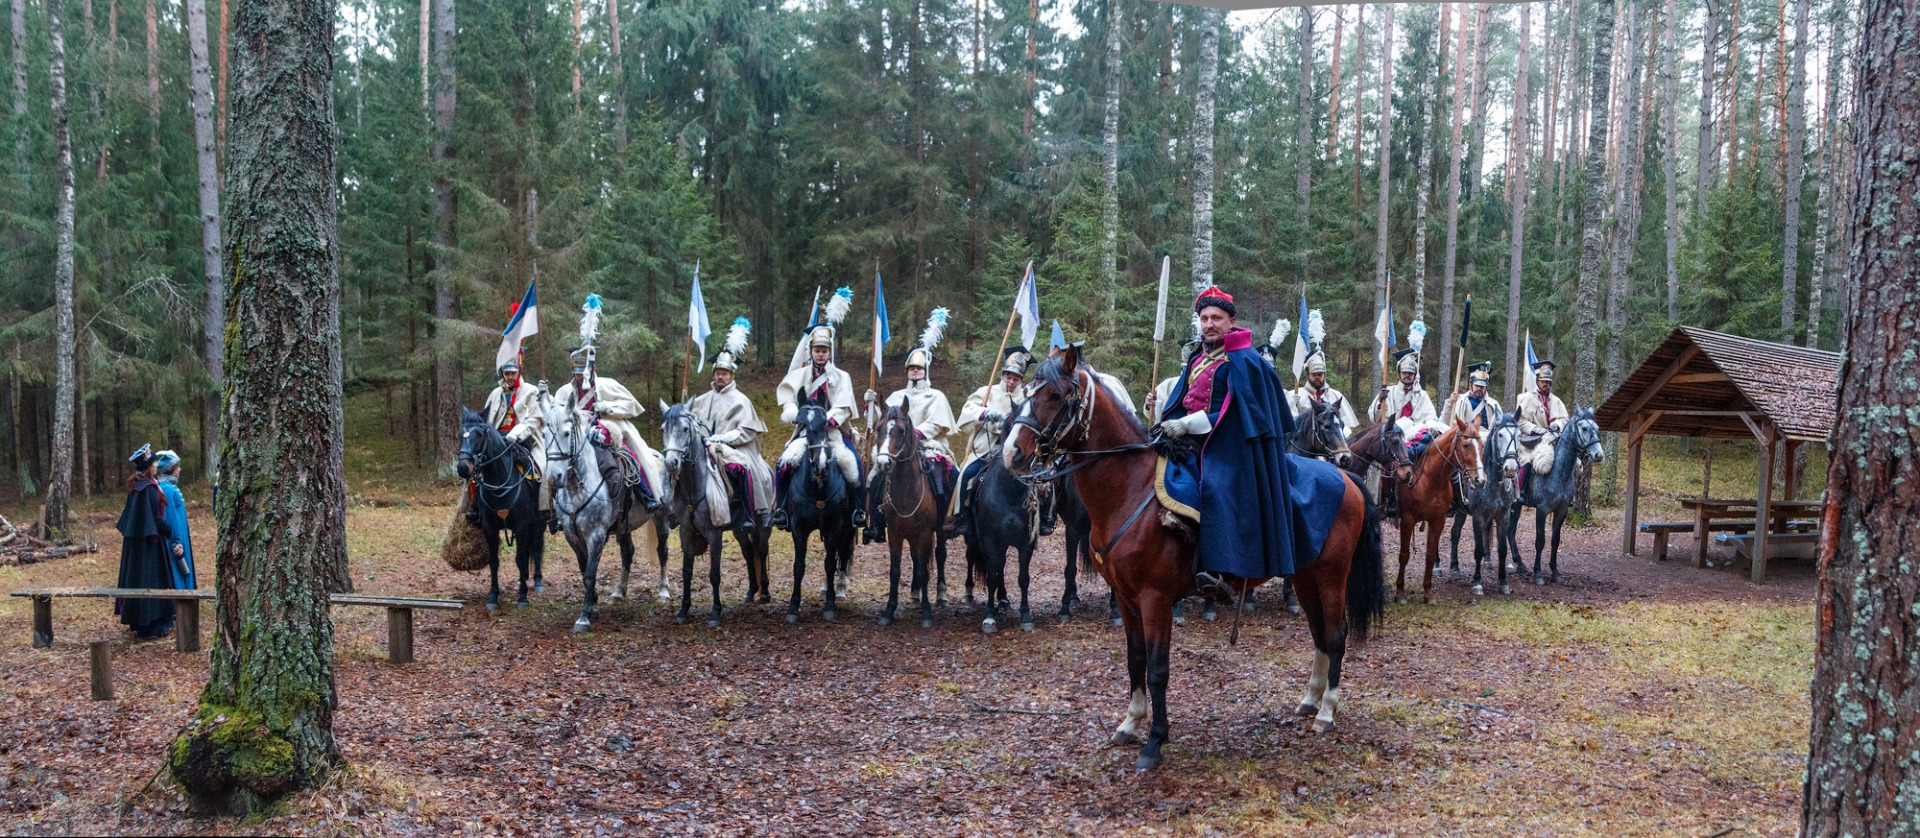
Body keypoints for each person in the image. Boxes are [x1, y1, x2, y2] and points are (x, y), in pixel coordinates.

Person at [1155, 287, 1309, 600]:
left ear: (1231, 321)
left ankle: (1221, 570)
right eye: (1204, 318)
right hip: (1191, 444)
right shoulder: (1198, 357)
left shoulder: (1245, 361)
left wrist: (1186, 423)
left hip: (1230, 447)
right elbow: (1183, 400)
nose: (1209, 324)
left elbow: (1236, 413)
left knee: (1217, 488)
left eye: (1217, 318)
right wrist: (1168, 422)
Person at [863, 337, 958, 544]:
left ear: (926, 371)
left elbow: (935, 424)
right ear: (906, 371)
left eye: (919, 368)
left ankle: (948, 517)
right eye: (912, 368)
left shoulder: (936, 396)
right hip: (897, 447)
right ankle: (875, 523)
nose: (915, 372)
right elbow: (882, 422)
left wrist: (914, 434)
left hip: (930, 445)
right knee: (874, 478)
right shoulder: (896, 396)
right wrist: (871, 406)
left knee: (949, 475)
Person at [772, 326, 864, 530]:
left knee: (853, 462)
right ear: (811, 352)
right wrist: (795, 413)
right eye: (817, 350)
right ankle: (782, 509)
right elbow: (788, 399)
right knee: (783, 462)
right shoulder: (799, 375)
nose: (820, 354)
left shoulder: (842, 376)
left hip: (832, 431)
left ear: (829, 352)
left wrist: (831, 419)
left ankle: (858, 510)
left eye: (824, 350)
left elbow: (843, 404)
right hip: (806, 431)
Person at [562, 344, 665, 525]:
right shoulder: (565, 392)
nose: (580, 376)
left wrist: (609, 407)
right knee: (556, 465)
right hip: (576, 437)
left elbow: (630, 405)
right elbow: (557, 415)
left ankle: (646, 496)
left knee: (629, 459)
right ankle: (557, 511)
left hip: (609, 431)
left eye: (584, 371)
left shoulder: (608, 384)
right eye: (577, 372)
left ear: (593, 369)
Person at [948, 345, 1031, 536]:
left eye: (1016, 378)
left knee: (1039, 481)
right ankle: (960, 517)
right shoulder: (987, 392)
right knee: (965, 475)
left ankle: (1042, 518)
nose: (1011, 382)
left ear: (1021, 379)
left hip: (1015, 451)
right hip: (986, 450)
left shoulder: (1026, 397)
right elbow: (968, 411)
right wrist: (985, 412)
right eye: (1008, 376)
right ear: (1002, 374)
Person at [691, 343, 775, 525]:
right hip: (704, 447)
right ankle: (679, 510)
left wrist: (724, 438)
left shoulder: (741, 400)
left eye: (725, 373)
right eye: (718, 373)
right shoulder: (700, 400)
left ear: (732, 376)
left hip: (735, 448)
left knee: (743, 467)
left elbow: (747, 430)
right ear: (713, 374)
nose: (721, 377)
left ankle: (748, 512)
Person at [114, 445, 176, 639]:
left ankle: (141, 623)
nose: (157, 465)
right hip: (150, 546)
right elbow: (154, 520)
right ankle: (150, 626)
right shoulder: (147, 489)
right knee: (151, 580)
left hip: (137, 548)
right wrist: (169, 529)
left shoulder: (136, 488)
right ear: (148, 467)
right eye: (154, 462)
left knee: (138, 578)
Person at [481, 359, 550, 523]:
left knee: (543, 467)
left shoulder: (531, 391)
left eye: (513, 373)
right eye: (507, 373)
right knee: (475, 467)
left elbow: (535, 420)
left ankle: (544, 509)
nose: (510, 377)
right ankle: (473, 508)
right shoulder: (495, 393)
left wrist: (517, 433)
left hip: (525, 439)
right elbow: (487, 420)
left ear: (519, 371)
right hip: (497, 440)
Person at [1514, 358, 1569, 492]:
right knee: (1527, 460)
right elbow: (1520, 421)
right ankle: (1521, 492)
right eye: (1543, 381)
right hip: (1531, 441)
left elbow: (1564, 419)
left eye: (1548, 382)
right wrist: (1535, 429)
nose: (1546, 384)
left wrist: (1556, 425)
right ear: (1537, 380)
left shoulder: (1556, 400)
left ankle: (1566, 495)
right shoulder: (1526, 398)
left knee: (1567, 461)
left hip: (1552, 440)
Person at [1288, 350, 1360, 437]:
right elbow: (1288, 425)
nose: (1317, 377)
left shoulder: (1335, 395)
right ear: (1308, 375)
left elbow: (1345, 424)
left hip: (1332, 442)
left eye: (1320, 374)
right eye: (1314, 375)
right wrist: (1291, 405)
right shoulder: (1294, 394)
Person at [153, 450, 197, 591]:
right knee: (177, 570)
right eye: (178, 466)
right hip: (176, 538)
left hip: (181, 535)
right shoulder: (167, 489)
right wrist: (177, 541)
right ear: (172, 468)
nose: (180, 469)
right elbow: (171, 517)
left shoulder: (171, 487)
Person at [1369, 348, 1439, 433]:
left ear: (1414, 375)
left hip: (1415, 435)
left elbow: (1430, 416)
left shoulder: (1422, 395)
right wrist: (1380, 402)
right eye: (1404, 372)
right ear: (1399, 374)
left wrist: (1431, 427)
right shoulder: (1388, 392)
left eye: (1410, 373)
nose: (1407, 375)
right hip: (1391, 435)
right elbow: (1374, 418)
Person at [1444, 361, 1502, 430]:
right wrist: (1450, 403)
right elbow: (1445, 422)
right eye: (1477, 385)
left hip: (1485, 439)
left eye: (1482, 386)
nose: (1479, 388)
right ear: (1471, 385)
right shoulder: (1459, 401)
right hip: (1464, 439)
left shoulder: (1494, 404)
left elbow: (1500, 427)